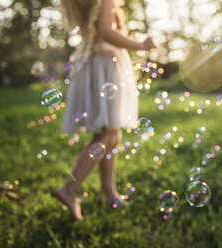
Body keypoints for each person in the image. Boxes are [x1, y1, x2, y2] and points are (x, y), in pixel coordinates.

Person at [55, 0, 157, 221]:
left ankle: (108, 192)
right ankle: (69, 189)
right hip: (107, 66)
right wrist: (142, 46)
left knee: (112, 133)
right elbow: (107, 32)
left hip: (97, 63)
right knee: (106, 135)